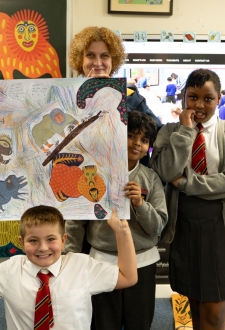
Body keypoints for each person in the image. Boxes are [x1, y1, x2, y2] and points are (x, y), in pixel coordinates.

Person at [0, 205, 137, 330]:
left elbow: (128, 277)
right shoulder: (11, 270)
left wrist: (122, 233)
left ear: (63, 239)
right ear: (21, 242)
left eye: (51, 239)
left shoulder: (81, 265)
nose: (43, 248)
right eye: (33, 240)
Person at [64, 111, 168, 330]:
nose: (137, 143)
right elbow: (76, 220)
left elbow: (157, 226)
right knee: (103, 323)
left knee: (138, 323)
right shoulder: (94, 175)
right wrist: (69, 256)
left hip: (143, 263)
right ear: (119, 135)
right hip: (102, 261)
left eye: (144, 140)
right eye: (131, 136)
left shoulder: (151, 178)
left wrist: (141, 204)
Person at [150, 69, 225, 330]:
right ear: (183, 97)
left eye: (208, 98)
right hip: (183, 223)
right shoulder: (170, 131)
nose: (200, 105)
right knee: (193, 301)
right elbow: (165, 171)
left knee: (215, 311)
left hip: (219, 226)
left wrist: (186, 184)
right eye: (193, 97)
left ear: (219, 99)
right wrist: (186, 131)